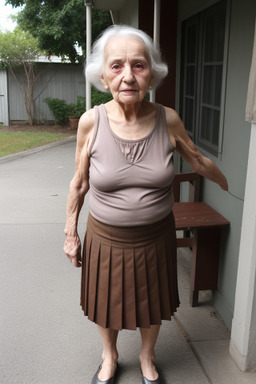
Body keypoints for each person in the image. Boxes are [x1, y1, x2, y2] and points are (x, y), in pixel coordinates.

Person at [63, 25, 228, 384]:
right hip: (106, 237)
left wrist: (228, 185)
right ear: (103, 75)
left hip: (156, 236)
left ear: (151, 74)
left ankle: (147, 356)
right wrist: (70, 234)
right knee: (104, 303)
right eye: (117, 66)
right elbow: (79, 182)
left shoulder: (167, 120)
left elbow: (197, 160)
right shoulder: (92, 122)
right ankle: (109, 357)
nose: (128, 76)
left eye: (138, 66)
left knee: (152, 303)